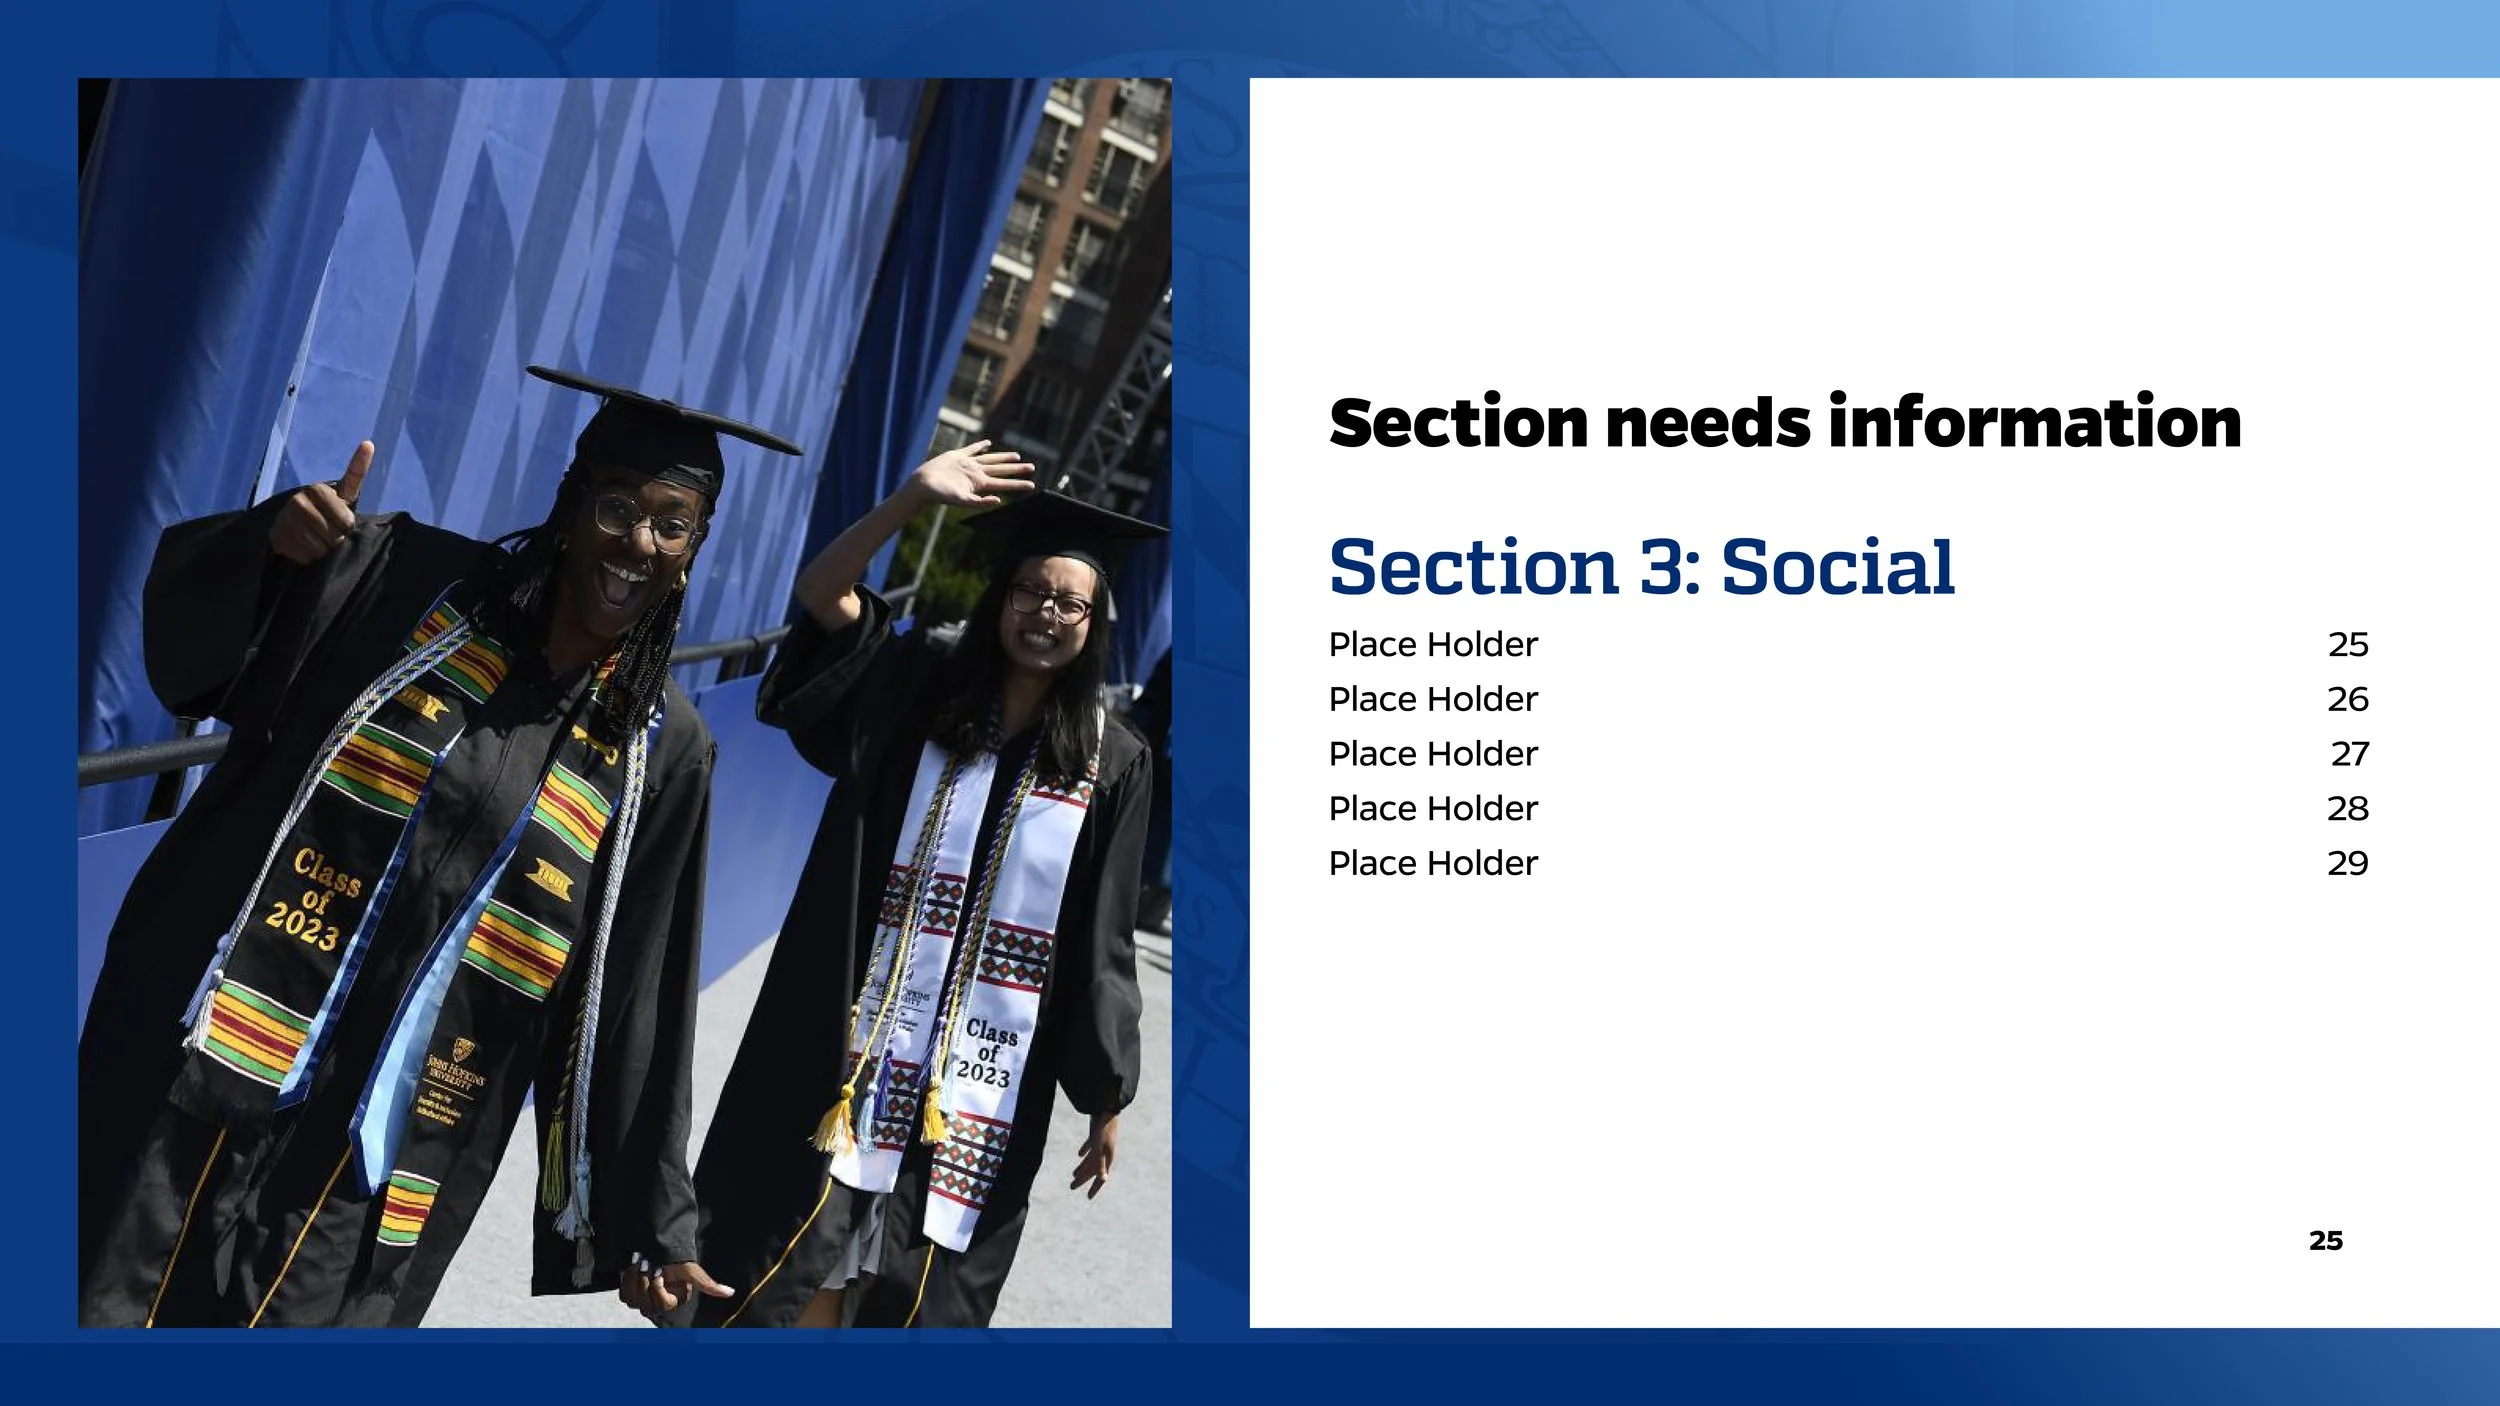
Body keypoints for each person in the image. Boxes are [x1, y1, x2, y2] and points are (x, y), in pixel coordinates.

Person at [77, 366, 783, 1327]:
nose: (638, 544)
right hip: (211, 1064)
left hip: (387, 1143)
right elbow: (207, 671)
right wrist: (275, 551)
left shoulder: (660, 749)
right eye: (618, 508)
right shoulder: (404, 584)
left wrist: (654, 1221)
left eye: (672, 524)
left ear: (693, 551)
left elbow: (634, 992)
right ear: (572, 506)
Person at [687, 448, 1160, 1329]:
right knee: (789, 1264)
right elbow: (825, 593)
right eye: (1029, 591)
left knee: (904, 1288)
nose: (1045, 614)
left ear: (1095, 624)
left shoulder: (1113, 761)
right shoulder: (919, 682)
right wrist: (907, 499)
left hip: (978, 1088)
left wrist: (1106, 1093)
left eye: (1070, 602)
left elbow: (1103, 937)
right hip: (848, 1041)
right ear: (999, 596)